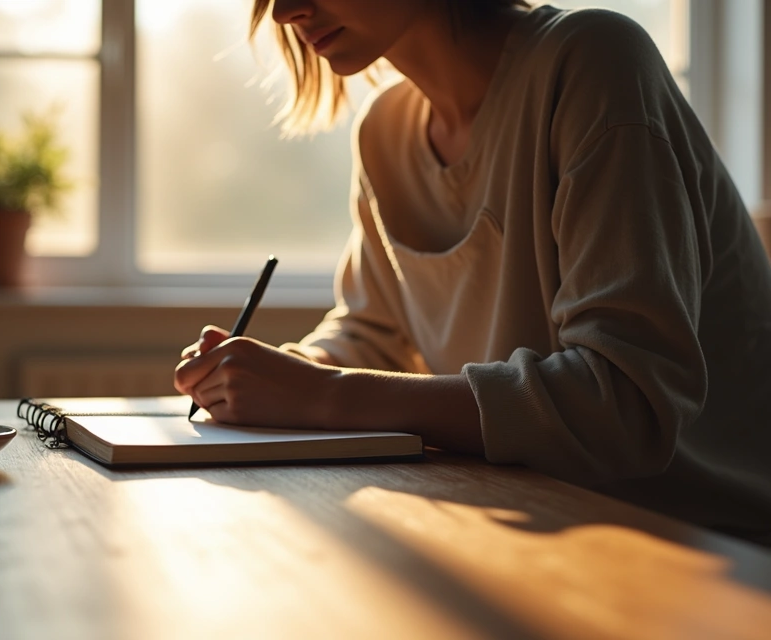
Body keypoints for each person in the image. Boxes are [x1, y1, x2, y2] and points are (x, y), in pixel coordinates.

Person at [173, 0, 771, 546]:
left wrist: (322, 395)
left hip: (705, 545)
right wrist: (280, 373)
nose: (283, 12)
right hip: (535, 519)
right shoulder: (385, 132)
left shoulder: (593, 61)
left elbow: (623, 404)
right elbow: (371, 336)